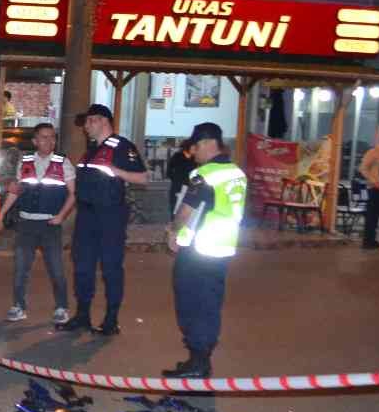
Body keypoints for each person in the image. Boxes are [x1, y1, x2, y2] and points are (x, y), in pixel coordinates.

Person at [164, 122, 247, 378]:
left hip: (198, 250)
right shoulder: (236, 173)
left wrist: (172, 231)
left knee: (191, 304)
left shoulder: (205, 174)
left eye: (195, 147)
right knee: (210, 304)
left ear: (206, 144)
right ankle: (200, 359)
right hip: (221, 248)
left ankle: (198, 362)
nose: (194, 153)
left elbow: (187, 210)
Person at [57, 104, 147, 335]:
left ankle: (111, 320)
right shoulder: (91, 150)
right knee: (83, 266)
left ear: (103, 121)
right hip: (86, 215)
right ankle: (83, 315)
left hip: (110, 215)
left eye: (89, 122)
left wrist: (117, 171)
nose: (85, 127)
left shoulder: (121, 146)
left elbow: (143, 178)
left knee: (111, 268)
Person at [0, 123, 75, 324]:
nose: (48, 141)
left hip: (50, 225)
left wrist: (61, 216)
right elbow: (16, 190)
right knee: (21, 267)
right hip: (26, 225)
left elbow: (74, 193)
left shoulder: (63, 162)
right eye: (43, 137)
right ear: (35, 141)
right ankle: (19, 306)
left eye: (52, 137)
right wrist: (1, 213)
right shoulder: (25, 161)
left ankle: (61, 307)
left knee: (56, 268)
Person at [166, 139, 195, 218]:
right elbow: (169, 171)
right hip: (178, 186)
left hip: (190, 186)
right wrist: (176, 179)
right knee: (175, 208)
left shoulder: (194, 158)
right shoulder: (178, 156)